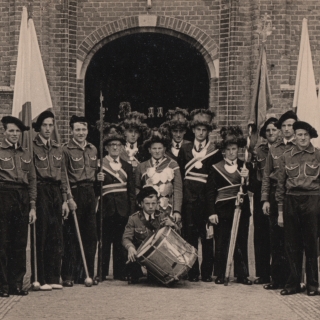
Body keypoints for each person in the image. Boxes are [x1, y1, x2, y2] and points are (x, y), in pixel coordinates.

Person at [178, 109, 223, 282]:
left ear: (208, 132)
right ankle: (193, 271)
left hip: (206, 201)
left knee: (207, 238)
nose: (201, 133)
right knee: (189, 237)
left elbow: (215, 180)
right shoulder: (185, 148)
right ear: (193, 130)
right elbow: (181, 175)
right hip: (189, 201)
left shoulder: (214, 151)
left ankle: (206, 273)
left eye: (204, 130)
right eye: (198, 130)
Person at [276, 121, 319, 296]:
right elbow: (280, 186)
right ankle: (293, 284)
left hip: (313, 199)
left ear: (310, 137)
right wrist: (280, 212)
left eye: (305, 135)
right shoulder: (286, 156)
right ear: (295, 136)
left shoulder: (318, 155)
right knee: (292, 244)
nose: (302, 138)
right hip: (291, 200)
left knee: (311, 244)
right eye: (299, 135)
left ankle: (313, 285)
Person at [206, 126, 253, 285]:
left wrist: (247, 179)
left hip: (241, 209)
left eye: (234, 149)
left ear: (238, 149)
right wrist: (212, 212)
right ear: (224, 150)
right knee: (222, 242)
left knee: (241, 241)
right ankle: (220, 274)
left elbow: (250, 189)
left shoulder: (245, 166)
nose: (232, 152)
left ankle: (242, 275)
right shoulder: (215, 168)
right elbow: (210, 192)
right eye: (228, 149)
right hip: (222, 210)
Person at [31, 111, 69, 291]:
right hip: (41, 190)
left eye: (51, 125)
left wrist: (64, 199)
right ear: (39, 127)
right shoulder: (32, 147)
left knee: (56, 235)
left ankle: (54, 276)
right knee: (42, 233)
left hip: (55, 191)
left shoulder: (57, 147)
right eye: (45, 125)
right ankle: (40, 277)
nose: (48, 129)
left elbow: (63, 175)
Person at [0, 116, 37, 297]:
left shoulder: (26, 153)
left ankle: (17, 284)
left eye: (17, 131)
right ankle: (3, 286)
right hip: (4, 196)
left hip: (22, 197)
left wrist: (32, 206)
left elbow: (32, 181)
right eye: (11, 131)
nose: (15, 134)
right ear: (4, 131)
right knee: (3, 243)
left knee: (20, 243)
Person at [261, 110, 297, 290]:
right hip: (275, 197)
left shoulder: (300, 147)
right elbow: (267, 176)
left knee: (290, 240)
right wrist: (265, 199)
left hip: (292, 197)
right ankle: (276, 279)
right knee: (275, 240)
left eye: (290, 125)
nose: (287, 129)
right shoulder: (274, 149)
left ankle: (292, 280)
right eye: (284, 126)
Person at [61, 115, 98, 287]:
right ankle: (68, 275)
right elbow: (64, 177)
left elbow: (94, 174)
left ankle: (87, 273)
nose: (81, 133)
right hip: (75, 193)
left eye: (83, 129)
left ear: (87, 130)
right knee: (71, 236)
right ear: (71, 131)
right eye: (77, 129)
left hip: (89, 192)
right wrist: (69, 198)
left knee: (90, 236)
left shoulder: (93, 149)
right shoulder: (65, 150)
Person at [96, 124, 136, 282]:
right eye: (112, 145)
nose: (115, 148)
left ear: (122, 148)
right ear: (106, 147)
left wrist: (132, 211)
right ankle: (102, 272)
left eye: (118, 145)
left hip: (123, 209)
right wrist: (96, 180)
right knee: (104, 243)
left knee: (121, 242)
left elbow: (131, 192)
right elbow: (95, 190)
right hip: (106, 209)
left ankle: (120, 272)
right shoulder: (99, 165)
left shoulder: (127, 166)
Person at [122, 187, 181, 284]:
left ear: (158, 203)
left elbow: (177, 237)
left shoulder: (162, 216)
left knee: (155, 279)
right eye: (147, 204)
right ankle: (135, 272)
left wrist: (173, 226)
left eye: (153, 203)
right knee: (129, 250)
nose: (150, 207)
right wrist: (130, 247)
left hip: (157, 255)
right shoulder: (134, 218)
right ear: (140, 204)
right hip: (140, 252)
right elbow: (126, 238)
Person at [252, 117, 279, 284]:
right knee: (260, 233)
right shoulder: (259, 151)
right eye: (268, 130)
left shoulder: (283, 150)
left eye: (274, 130)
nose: (270, 133)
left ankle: (276, 274)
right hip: (259, 194)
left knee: (275, 234)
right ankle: (262, 273)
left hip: (275, 195)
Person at [135, 128, 182, 220]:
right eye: (154, 148)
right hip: (148, 209)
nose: (157, 151)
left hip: (168, 209)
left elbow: (177, 189)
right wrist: (141, 204)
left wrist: (177, 211)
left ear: (164, 149)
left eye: (160, 148)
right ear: (149, 150)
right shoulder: (141, 166)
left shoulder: (173, 164)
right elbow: (137, 188)